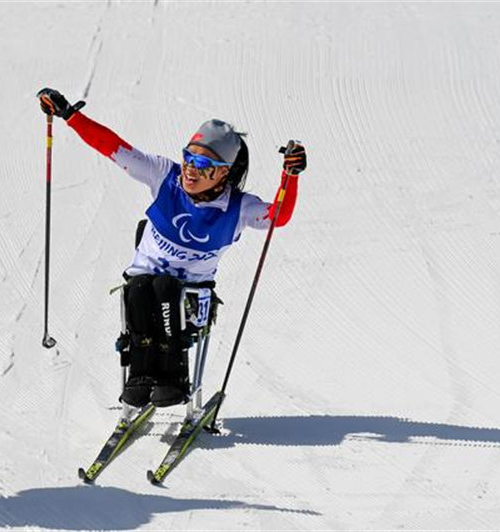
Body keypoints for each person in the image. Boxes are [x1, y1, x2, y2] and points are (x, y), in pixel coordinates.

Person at [36, 88, 307, 408]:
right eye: (188, 158)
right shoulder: (165, 175)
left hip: (193, 296)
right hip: (143, 283)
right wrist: (70, 115)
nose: (190, 169)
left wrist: (289, 177)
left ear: (223, 172)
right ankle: (140, 375)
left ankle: (172, 377)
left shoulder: (238, 207)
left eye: (202, 163)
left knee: (165, 287)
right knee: (138, 288)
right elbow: (113, 147)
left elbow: (278, 216)